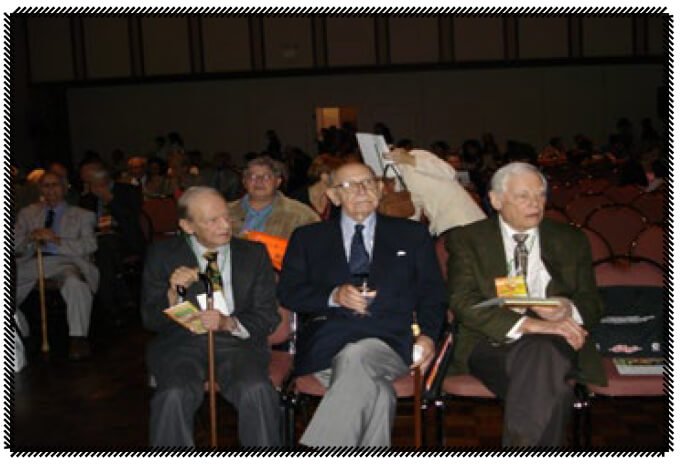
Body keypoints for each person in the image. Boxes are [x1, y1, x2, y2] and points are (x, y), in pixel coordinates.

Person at [277, 162, 447, 447]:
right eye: (349, 185)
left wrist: (429, 336)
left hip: (391, 342)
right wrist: (333, 295)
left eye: (368, 182)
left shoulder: (412, 235)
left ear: (380, 189)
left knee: (357, 355)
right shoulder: (308, 238)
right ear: (333, 195)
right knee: (377, 392)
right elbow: (289, 292)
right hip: (327, 345)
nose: (361, 190)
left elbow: (433, 294)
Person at [444, 161, 606, 447]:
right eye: (523, 196)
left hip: (557, 340)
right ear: (495, 200)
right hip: (490, 342)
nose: (535, 203)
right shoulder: (468, 239)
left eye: (541, 194)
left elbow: (592, 302)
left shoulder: (570, 239)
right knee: (550, 383)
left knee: (543, 357)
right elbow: (462, 301)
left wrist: (567, 309)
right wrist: (530, 325)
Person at [141, 186, 282, 447]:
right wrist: (172, 294)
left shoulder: (254, 255)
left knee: (257, 391)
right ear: (187, 225)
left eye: (226, 216)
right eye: (212, 220)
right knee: (173, 395)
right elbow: (150, 319)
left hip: (238, 343)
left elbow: (268, 317)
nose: (224, 225)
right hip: (180, 344)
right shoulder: (162, 255)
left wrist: (228, 322)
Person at [14, 171, 99, 360]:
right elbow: (12, 245)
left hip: (65, 261)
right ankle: (19, 331)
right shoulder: (28, 213)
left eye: (55, 185)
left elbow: (89, 245)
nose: (50, 190)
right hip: (32, 261)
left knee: (75, 283)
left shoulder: (83, 215)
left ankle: (78, 337)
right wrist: (30, 237)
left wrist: (55, 240)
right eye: (46, 185)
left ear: (64, 187)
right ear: (40, 189)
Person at [80, 167, 145, 325]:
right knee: (103, 248)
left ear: (102, 181)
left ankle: (109, 303)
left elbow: (132, 220)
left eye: (90, 183)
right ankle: (118, 297)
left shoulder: (128, 191)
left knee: (106, 247)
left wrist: (110, 199)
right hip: (97, 239)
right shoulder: (88, 199)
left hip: (126, 239)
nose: (88, 187)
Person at [384, 148, 486, 236]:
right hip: (445, 227)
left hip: (465, 218)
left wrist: (410, 159)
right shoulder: (399, 181)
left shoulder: (417, 154)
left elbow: (449, 172)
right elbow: (413, 213)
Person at [227, 156, 319, 240]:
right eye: (253, 176)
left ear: (278, 182)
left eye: (267, 177)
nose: (259, 181)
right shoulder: (224, 212)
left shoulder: (302, 216)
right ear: (244, 182)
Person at [290, 154, 344, 220]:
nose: (343, 179)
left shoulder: (337, 198)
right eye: (338, 175)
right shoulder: (297, 199)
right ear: (324, 176)